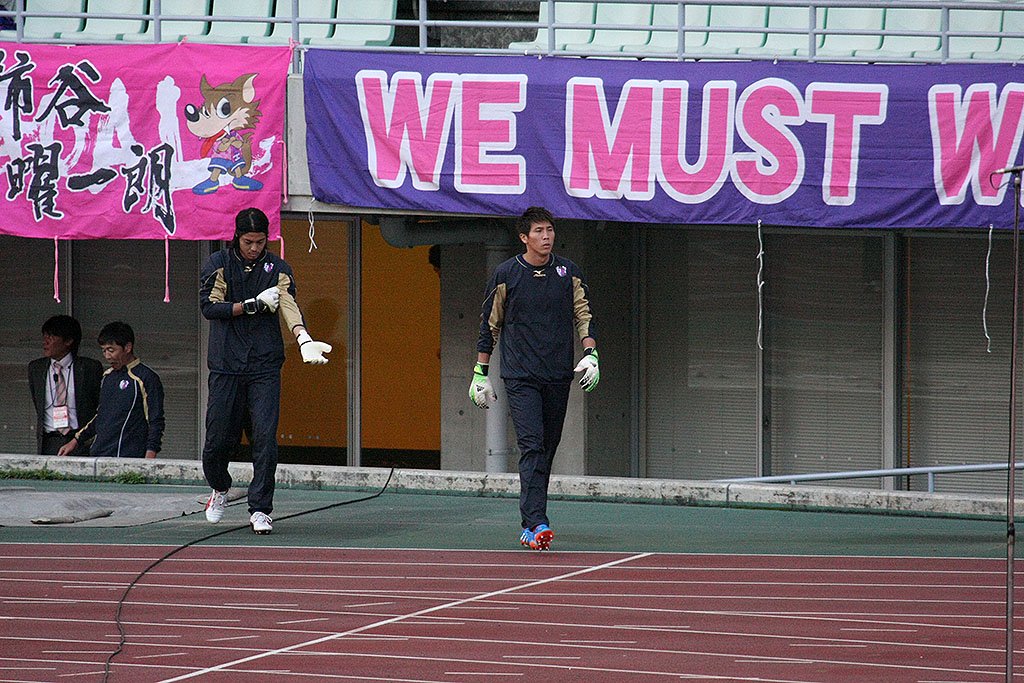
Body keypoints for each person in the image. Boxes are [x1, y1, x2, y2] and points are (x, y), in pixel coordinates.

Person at [469, 206, 600, 551]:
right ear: (524, 237)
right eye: (539, 231)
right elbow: (489, 325)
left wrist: (591, 353)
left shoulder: (568, 272)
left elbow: (584, 314)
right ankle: (536, 522)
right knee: (532, 445)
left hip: (558, 374)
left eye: (550, 230)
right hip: (520, 376)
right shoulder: (506, 274)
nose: (546, 237)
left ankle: (532, 522)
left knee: (547, 448)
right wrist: (480, 373)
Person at [199, 207, 332, 535]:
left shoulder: (278, 268)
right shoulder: (218, 264)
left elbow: (288, 304)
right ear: (237, 238)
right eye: (248, 242)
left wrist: (303, 338)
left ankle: (260, 508)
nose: (254, 248)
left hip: (264, 365)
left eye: (260, 242)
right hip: (226, 365)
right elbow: (210, 307)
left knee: (264, 438)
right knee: (217, 440)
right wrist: (250, 306)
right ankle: (220, 487)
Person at [58, 321, 165, 459]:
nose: (107, 356)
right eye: (104, 350)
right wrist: (75, 441)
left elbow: (155, 420)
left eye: (111, 350)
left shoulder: (145, 377)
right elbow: (101, 416)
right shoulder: (107, 377)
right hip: (99, 454)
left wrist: (150, 454)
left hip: (128, 456)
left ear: (127, 347)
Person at [28, 315, 103, 455]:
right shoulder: (36, 368)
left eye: (51, 337)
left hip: (80, 440)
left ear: (68, 341)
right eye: (45, 336)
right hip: (49, 440)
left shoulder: (89, 367)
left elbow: (98, 405)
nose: (45, 341)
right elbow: (37, 402)